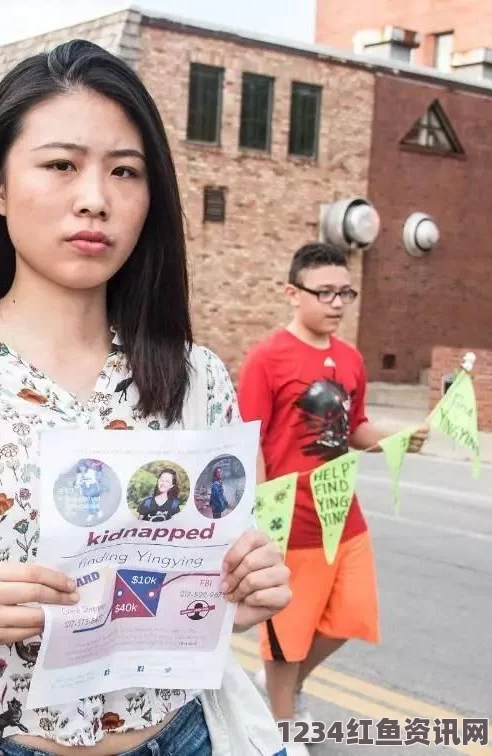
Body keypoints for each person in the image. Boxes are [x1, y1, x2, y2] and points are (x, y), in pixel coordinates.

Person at [0, 41, 292, 756]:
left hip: (182, 735)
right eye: (61, 165)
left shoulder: (197, 378)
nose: (95, 198)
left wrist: (249, 589)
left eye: (125, 171)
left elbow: (217, 598)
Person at [238, 242, 427, 750]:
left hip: (344, 517)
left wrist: (396, 436)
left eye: (345, 291)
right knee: (286, 637)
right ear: (292, 294)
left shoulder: (349, 358)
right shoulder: (267, 359)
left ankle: (287, 688)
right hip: (290, 522)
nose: (338, 302)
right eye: (325, 292)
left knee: (350, 619)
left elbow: (354, 427)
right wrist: (257, 516)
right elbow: (249, 440)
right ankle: (282, 732)